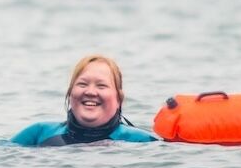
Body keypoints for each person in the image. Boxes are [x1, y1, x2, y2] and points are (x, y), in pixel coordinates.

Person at [11, 54, 157, 146]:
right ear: (70, 93)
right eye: (82, 84)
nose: (90, 92)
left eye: (101, 86)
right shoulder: (38, 134)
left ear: (119, 99)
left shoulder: (142, 142)